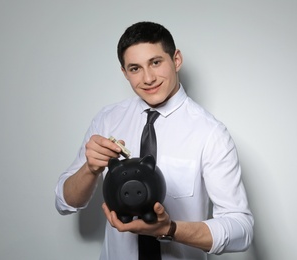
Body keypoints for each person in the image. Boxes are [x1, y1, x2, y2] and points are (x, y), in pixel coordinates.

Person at [55, 21, 254, 259]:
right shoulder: (108, 120)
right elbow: (64, 202)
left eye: (156, 62)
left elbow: (241, 229)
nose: (148, 78)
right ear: (124, 72)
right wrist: (90, 169)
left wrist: (170, 229)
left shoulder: (210, 133)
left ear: (176, 60)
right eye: (135, 68)